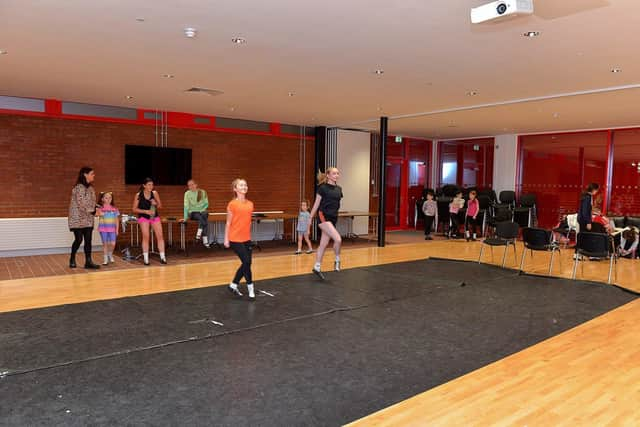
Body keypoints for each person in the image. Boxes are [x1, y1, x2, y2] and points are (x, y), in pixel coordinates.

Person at [308, 167, 343, 279]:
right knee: (338, 239)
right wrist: (310, 219)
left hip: (333, 218)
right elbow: (316, 204)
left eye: (337, 173)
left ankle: (317, 266)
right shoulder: (322, 188)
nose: (336, 175)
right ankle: (337, 260)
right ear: (328, 175)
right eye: (334, 173)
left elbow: (335, 204)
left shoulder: (339, 189)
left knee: (323, 244)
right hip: (323, 217)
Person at [224, 178, 255, 301]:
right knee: (247, 262)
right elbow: (228, 222)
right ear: (235, 189)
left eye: (245, 185)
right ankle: (250, 288)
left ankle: (233, 285)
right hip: (235, 238)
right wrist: (226, 239)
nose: (244, 187)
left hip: (246, 238)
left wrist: (249, 237)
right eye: (241, 185)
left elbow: (248, 222)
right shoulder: (232, 204)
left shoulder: (250, 204)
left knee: (247, 263)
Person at [68, 166, 100, 269]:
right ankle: (72, 258)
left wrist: (100, 207)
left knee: (88, 240)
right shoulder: (78, 188)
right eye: (92, 174)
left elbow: (92, 203)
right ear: (85, 174)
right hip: (77, 218)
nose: (94, 175)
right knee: (79, 239)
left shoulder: (91, 188)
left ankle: (88, 261)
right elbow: (81, 204)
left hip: (88, 219)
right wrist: (94, 211)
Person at [133, 178, 166, 265]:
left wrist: (156, 204)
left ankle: (163, 257)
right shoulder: (138, 195)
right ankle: (146, 259)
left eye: (152, 184)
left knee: (160, 236)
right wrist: (145, 211)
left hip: (154, 216)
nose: (151, 186)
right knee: (146, 237)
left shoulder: (154, 193)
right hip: (143, 217)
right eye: (149, 185)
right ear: (144, 185)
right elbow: (134, 209)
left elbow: (160, 206)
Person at [182, 179, 211, 248]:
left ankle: (198, 236)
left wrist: (202, 209)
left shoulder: (202, 192)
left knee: (205, 214)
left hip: (202, 211)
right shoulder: (187, 193)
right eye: (189, 185)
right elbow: (186, 206)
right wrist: (185, 218)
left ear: (196, 185)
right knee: (203, 219)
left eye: (192, 184)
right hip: (192, 212)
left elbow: (206, 203)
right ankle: (204, 240)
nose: (190, 186)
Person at [97, 191, 120, 265]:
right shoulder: (100, 208)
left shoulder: (114, 209)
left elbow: (117, 220)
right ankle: (105, 259)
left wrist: (117, 229)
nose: (108, 199)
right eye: (106, 198)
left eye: (110, 197)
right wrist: (100, 213)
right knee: (105, 244)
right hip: (103, 229)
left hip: (112, 229)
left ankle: (110, 254)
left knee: (113, 244)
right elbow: (96, 214)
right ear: (102, 199)